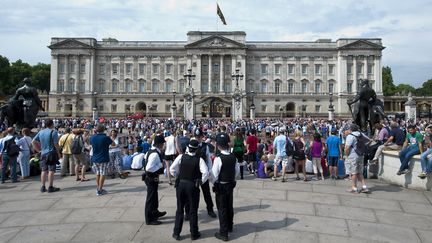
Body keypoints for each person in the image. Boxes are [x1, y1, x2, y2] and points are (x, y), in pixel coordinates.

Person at [170, 140, 209, 241]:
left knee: (179, 209)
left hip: (181, 184)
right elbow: (206, 173)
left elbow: (172, 169)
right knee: (193, 210)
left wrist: (178, 176)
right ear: (196, 150)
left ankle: (176, 232)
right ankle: (194, 233)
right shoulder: (199, 160)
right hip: (192, 185)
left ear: (188, 147)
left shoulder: (181, 157)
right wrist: (201, 182)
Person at [211, 133, 239, 242]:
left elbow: (214, 175)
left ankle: (224, 232)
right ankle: (230, 226)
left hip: (221, 186)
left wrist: (215, 183)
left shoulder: (219, 159)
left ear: (218, 146)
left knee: (222, 208)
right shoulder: (233, 157)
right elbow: (236, 172)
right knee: (229, 206)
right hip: (230, 184)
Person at [192, 128, 217, 218]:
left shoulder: (205, 146)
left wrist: (210, 170)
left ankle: (210, 209)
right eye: (196, 137)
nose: (198, 138)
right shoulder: (191, 145)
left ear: (202, 137)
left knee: (206, 192)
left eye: (199, 137)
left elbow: (208, 159)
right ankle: (190, 211)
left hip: (203, 172)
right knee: (192, 193)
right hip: (194, 172)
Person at [32, 119, 60, 193]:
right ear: (52, 124)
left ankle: (43, 187)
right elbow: (56, 144)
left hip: (43, 153)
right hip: (51, 153)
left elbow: (33, 141)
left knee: (44, 170)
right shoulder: (54, 132)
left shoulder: (41, 132)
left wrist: (38, 150)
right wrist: (59, 153)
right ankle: (50, 187)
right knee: (51, 170)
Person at [144, 134, 167, 225]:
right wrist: (160, 165)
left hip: (152, 178)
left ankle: (155, 212)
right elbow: (149, 168)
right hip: (151, 178)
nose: (164, 145)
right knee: (151, 198)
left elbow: (144, 159)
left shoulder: (151, 151)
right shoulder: (155, 154)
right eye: (163, 143)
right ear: (160, 144)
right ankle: (149, 219)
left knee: (154, 196)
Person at [90, 124, 115, 196]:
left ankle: (98, 187)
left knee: (97, 173)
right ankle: (100, 190)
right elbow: (113, 144)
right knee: (102, 173)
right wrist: (109, 136)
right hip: (103, 157)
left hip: (95, 158)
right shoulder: (105, 138)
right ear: (103, 130)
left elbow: (91, 144)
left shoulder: (92, 137)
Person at [344, 124, 369, 193]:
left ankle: (354, 187)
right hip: (360, 155)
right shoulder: (361, 134)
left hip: (353, 156)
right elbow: (369, 140)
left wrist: (346, 155)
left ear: (350, 129)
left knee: (353, 172)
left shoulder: (350, 136)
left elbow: (347, 148)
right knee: (360, 172)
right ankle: (364, 187)